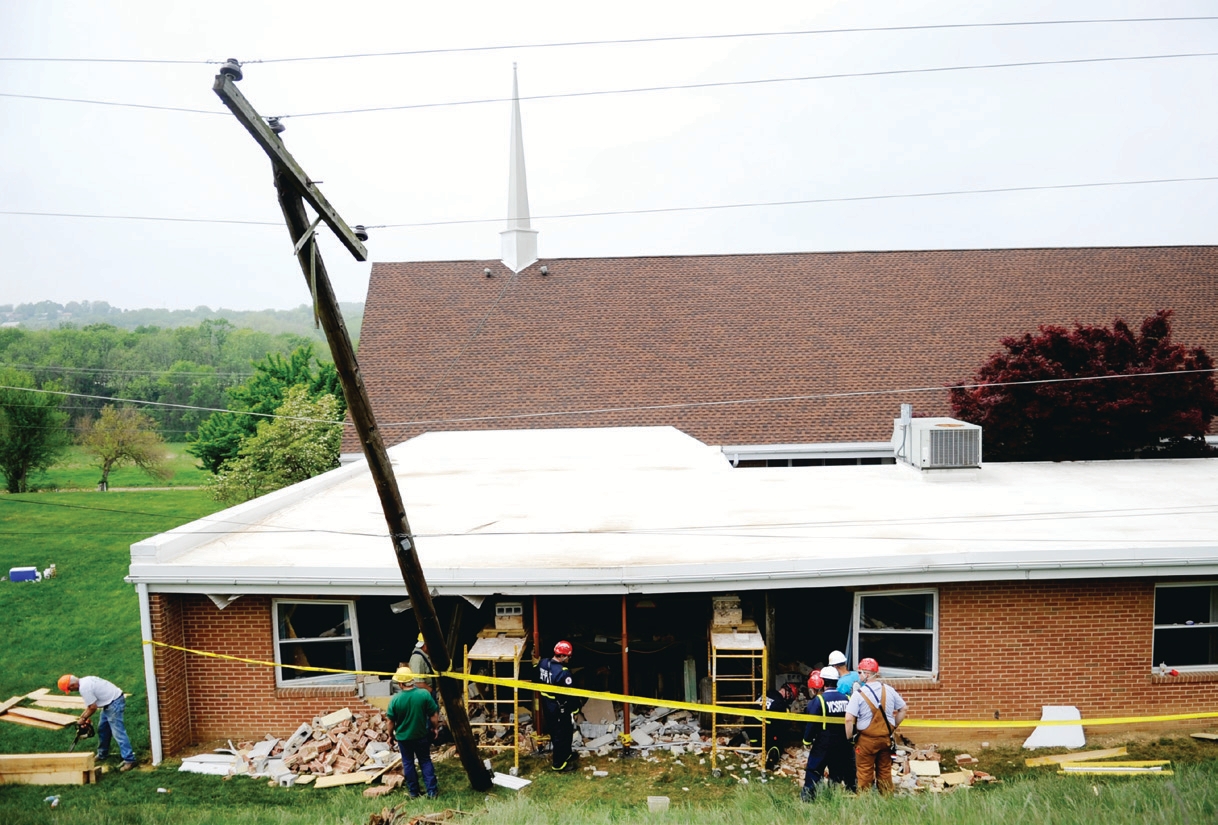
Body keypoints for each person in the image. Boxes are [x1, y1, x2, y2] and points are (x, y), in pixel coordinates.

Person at [843, 658, 907, 795]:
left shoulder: (858, 694)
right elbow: (903, 708)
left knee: (865, 771)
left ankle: (865, 802)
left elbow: (848, 719)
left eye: (860, 672)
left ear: (866, 674)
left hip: (866, 741)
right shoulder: (889, 690)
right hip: (885, 740)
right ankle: (886, 799)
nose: (858, 676)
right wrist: (892, 727)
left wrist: (849, 738)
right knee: (884, 770)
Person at [801, 666, 857, 801]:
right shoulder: (847, 698)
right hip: (843, 741)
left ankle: (809, 798)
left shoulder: (819, 700)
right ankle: (834, 796)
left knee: (814, 770)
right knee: (837, 771)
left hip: (824, 742)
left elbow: (812, 723)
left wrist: (806, 740)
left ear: (822, 682)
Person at [59, 674, 135, 771]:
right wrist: (82, 717)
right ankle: (103, 754)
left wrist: (83, 719)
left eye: (70, 689)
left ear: (73, 685)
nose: (72, 691)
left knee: (118, 733)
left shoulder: (84, 688)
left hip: (114, 703)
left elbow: (93, 708)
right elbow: (90, 706)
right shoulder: (86, 680)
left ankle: (129, 760)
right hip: (110, 702)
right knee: (103, 729)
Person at [386, 666, 440, 798]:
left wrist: (390, 736)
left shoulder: (395, 700)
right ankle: (432, 791)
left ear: (400, 683)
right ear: (411, 679)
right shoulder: (423, 694)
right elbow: (434, 715)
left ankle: (414, 792)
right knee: (425, 761)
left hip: (404, 738)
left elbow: (390, 722)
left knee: (408, 763)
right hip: (422, 735)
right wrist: (435, 728)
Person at [537, 640, 580, 772]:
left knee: (565, 731)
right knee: (560, 734)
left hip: (548, 704)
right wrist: (576, 709)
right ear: (562, 656)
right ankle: (558, 764)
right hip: (559, 707)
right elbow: (570, 694)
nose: (569, 659)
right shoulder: (563, 673)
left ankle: (566, 754)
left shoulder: (543, 663)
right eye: (568, 656)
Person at [761, 681, 799, 771]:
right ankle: (772, 760)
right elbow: (786, 724)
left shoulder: (767, 693)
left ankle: (738, 740)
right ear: (788, 693)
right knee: (778, 741)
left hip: (749, 724)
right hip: (764, 727)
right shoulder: (782, 704)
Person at [409, 633, 437, 697]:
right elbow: (418, 683)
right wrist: (432, 692)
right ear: (425, 645)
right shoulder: (417, 659)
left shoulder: (425, 655)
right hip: (424, 694)